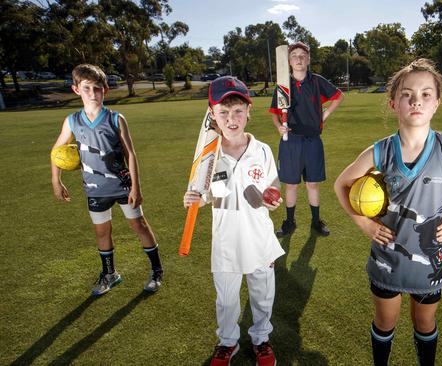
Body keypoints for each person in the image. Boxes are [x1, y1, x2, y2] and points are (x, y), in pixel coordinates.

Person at [334, 59, 442, 365]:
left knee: (425, 323)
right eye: (407, 94)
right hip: (387, 256)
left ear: (437, 103)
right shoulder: (381, 150)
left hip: (429, 260)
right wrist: (364, 224)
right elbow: (342, 184)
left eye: (426, 94)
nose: (416, 100)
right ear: (393, 104)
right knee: (385, 322)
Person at [183, 76, 285, 366]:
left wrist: (272, 200)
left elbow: (273, 190)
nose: (231, 118)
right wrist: (194, 199)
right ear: (212, 115)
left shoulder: (262, 150)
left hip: (259, 238)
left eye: (238, 111)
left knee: (263, 295)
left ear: (248, 112)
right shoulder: (208, 154)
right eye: (223, 112)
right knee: (226, 300)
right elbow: (205, 194)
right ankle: (227, 342)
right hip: (226, 237)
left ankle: (261, 339)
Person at [50, 64, 163, 296]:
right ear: (76, 90)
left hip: (122, 185)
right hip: (94, 188)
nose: (93, 93)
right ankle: (110, 274)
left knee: (138, 225)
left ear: (106, 90)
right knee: (102, 232)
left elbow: (130, 154)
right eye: (87, 88)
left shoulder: (115, 118)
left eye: (97, 88)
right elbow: (57, 151)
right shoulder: (72, 121)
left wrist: (136, 188)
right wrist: (56, 180)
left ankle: (156, 270)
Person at [269, 41, 344, 237]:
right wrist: (279, 127)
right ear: (289, 61)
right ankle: (289, 221)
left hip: (313, 141)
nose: (299, 59)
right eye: (295, 56)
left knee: (312, 184)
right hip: (290, 141)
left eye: (303, 55)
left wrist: (324, 115)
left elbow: (338, 96)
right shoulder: (283, 86)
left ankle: (316, 221)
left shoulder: (317, 81)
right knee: (291, 184)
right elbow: (275, 114)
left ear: (309, 59)